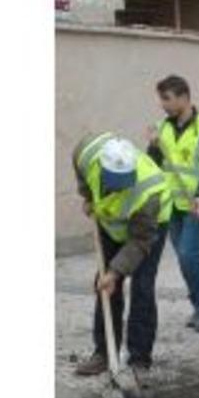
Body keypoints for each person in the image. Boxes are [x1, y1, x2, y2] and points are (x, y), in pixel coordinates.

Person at [73, 133, 171, 376]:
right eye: (115, 182)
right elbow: (78, 160)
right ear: (103, 169)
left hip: (148, 230)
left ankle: (139, 359)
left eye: (125, 181)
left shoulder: (148, 192)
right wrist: (87, 194)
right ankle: (105, 354)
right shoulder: (89, 153)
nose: (121, 187)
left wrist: (116, 272)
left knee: (142, 287)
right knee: (104, 286)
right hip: (111, 224)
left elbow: (139, 241)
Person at [147, 75, 199, 333]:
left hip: (197, 204)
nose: (162, 104)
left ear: (184, 97)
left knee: (189, 255)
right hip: (172, 204)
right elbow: (152, 166)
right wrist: (153, 147)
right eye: (161, 99)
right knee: (184, 258)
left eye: (166, 98)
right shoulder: (162, 128)